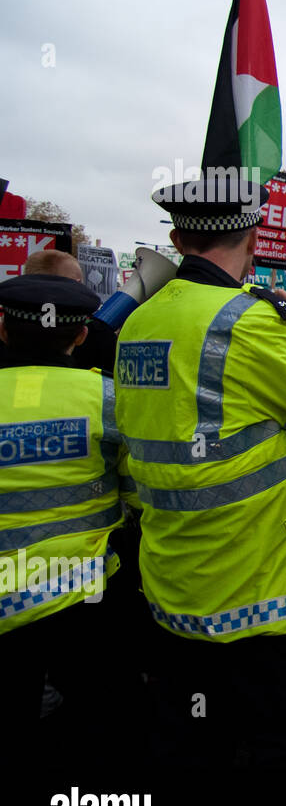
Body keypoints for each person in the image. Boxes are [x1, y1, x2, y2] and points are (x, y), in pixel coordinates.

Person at [115, 174, 286, 765]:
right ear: (252, 233)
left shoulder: (136, 323)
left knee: (191, 741)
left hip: (174, 579)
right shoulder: (252, 320)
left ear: (177, 236)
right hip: (259, 585)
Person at [0, 275, 139, 760]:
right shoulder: (106, 397)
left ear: (3, 329)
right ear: (81, 335)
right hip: (85, 594)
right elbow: (138, 488)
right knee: (95, 728)